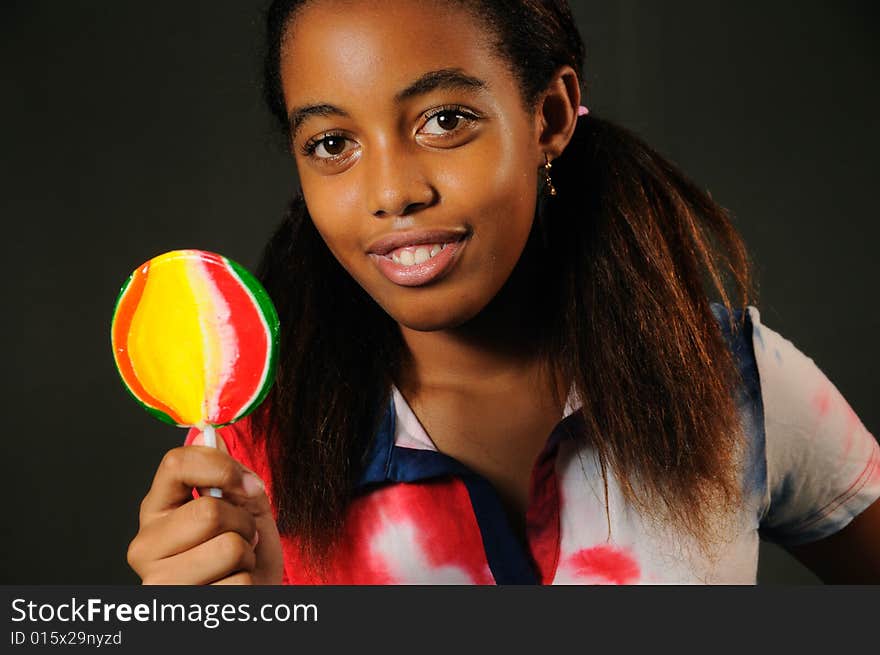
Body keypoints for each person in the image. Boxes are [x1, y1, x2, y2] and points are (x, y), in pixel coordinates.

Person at [126, 0, 880, 584]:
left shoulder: (730, 379)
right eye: (333, 144)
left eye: (444, 121)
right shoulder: (250, 467)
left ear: (549, 116)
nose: (392, 191)